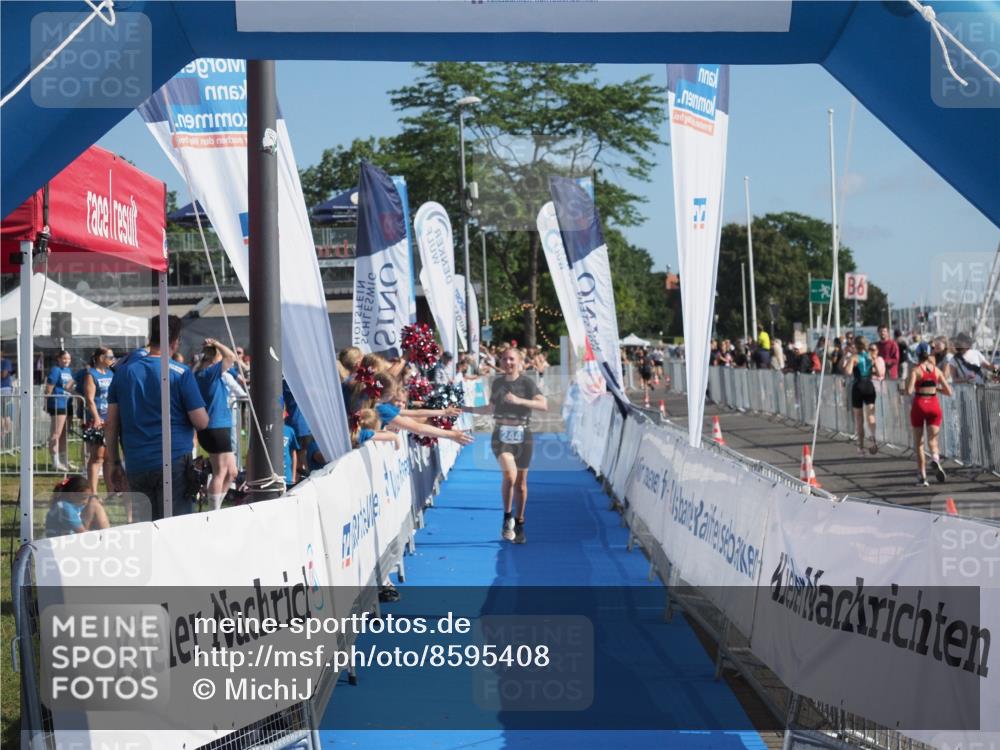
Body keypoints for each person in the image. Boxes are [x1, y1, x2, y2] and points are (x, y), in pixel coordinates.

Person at [104, 315, 209, 520]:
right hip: (173, 461)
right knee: (175, 530)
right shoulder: (180, 372)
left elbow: (111, 425)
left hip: (136, 463)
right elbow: (201, 421)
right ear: (176, 340)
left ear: (150, 337)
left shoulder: (123, 373)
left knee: (147, 530)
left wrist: (114, 462)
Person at [462, 348, 548, 545]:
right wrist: (466, 409)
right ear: (500, 362)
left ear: (519, 361)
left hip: (523, 435)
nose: (508, 362)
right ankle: (507, 516)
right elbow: (490, 408)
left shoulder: (527, 382)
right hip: (501, 435)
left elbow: (543, 405)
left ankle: (519, 522)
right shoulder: (498, 382)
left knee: (522, 484)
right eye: (504, 359)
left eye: (512, 359)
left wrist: (519, 400)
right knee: (510, 476)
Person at [194, 338, 239, 510]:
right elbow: (231, 356)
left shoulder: (200, 372)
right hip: (216, 427)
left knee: (232, 472)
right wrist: (218, 344)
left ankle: (216, 506)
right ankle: (214, 511)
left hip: (216, 428)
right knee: (220, 472)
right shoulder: (208, 373)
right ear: (214, 358)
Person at [906, 342, 952, 486]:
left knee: (919, 443)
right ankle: (935, 459)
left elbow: (908, 391)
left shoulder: (916, 370)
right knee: (933, 440)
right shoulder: (936, 370)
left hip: (919, 404)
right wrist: (934, 389)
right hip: (933, 404)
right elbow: (949, 391)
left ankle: (922, 476)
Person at [82, 347, 115, 494]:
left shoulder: (111, 373)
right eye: (110, 356)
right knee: (97, 457)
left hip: (110, 419)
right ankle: (93, 493)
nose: (112, 359)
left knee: (109, 457)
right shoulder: (91, 375)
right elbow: (90, 399)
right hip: (97, 420)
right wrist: (96, 418)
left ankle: (111, 490)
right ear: (101, 358)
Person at [44, 475, 109, 537]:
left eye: (88, 497)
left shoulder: (75, 503)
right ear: (72, 495)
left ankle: (107, 536)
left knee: (94, 502)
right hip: (60, 543)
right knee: (94, 505)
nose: (86, 502)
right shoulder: (64, 507)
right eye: (84, 497)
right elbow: (82, 533)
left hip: (69, 538)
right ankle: (107, 537)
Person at [45, 350, 76, 471]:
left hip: (68, 403)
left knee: (64, 433)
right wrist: (46, 403)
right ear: (58, 359)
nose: (66, 361)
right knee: (56, 433)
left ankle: (64, 460)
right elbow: (49, 388)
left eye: (68, 359)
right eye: (64, 358)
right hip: (58, 403)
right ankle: (55, 461)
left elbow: (70, 387)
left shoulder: (68, 370)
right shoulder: (55, 370)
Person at [847, 336, 878, 456]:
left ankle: (860, 448)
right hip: (869, 385)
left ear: (856, 345)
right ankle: (873, 438)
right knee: (871, 414)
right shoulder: (871, 356)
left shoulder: (854, 357)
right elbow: (880, 372)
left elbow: (849, 372)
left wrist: (850, 363)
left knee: (859, 419)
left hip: (858, 386)